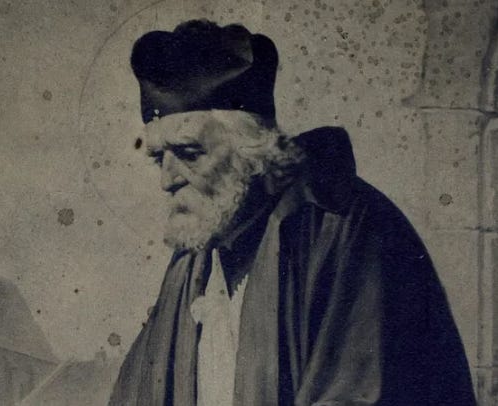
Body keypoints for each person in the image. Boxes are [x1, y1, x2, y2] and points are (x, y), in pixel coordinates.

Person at [109, 19, 476, 406]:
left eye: (188, 153)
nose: (167, 180)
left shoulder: (345, 228)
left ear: (252, 151)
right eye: (158, 159)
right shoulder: (192, 262)